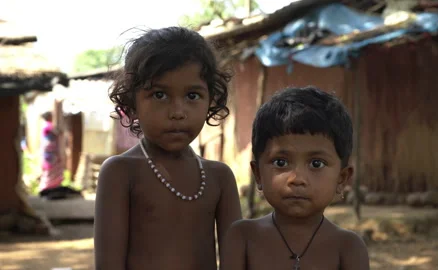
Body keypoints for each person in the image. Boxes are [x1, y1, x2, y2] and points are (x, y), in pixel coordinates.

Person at [94, 26, 242, 270]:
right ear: (132, 103)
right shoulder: (120, 173)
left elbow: (235, 262)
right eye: (160, 95)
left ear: (210, 101)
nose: (177, 112)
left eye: (192, 96)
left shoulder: (219, 177)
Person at [220, 86, 370, 270]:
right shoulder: (242, 238)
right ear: (258, 174)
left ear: (341, 179)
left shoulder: (348, 248)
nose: (297, 179)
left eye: (316, 164)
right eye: (281, 163)